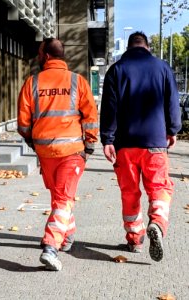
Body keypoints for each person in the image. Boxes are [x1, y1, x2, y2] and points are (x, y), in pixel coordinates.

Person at [17, 38, 99, 271]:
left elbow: (23, 123)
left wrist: (33, 141)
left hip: (45, 152)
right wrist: (90, 145)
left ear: (47, 56)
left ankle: (65, 237)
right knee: (62, 198)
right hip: (72, 151)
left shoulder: (32, 83)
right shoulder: (78, 82)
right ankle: (51, 246)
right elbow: (91, 117)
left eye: (40, 53)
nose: (38, 56)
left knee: (59, 196)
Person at [100, 31, 182, 262]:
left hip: (124, 144)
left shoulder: (116, 70)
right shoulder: (163, 68)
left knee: (130, 192)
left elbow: (109, 109)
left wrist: (107, 139)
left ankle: (135, 238)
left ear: (128, 47)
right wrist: (172, 130)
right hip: (155, 142)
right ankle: (157, 222)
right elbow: (172, 102)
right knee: (159, 187)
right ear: (146, 46)